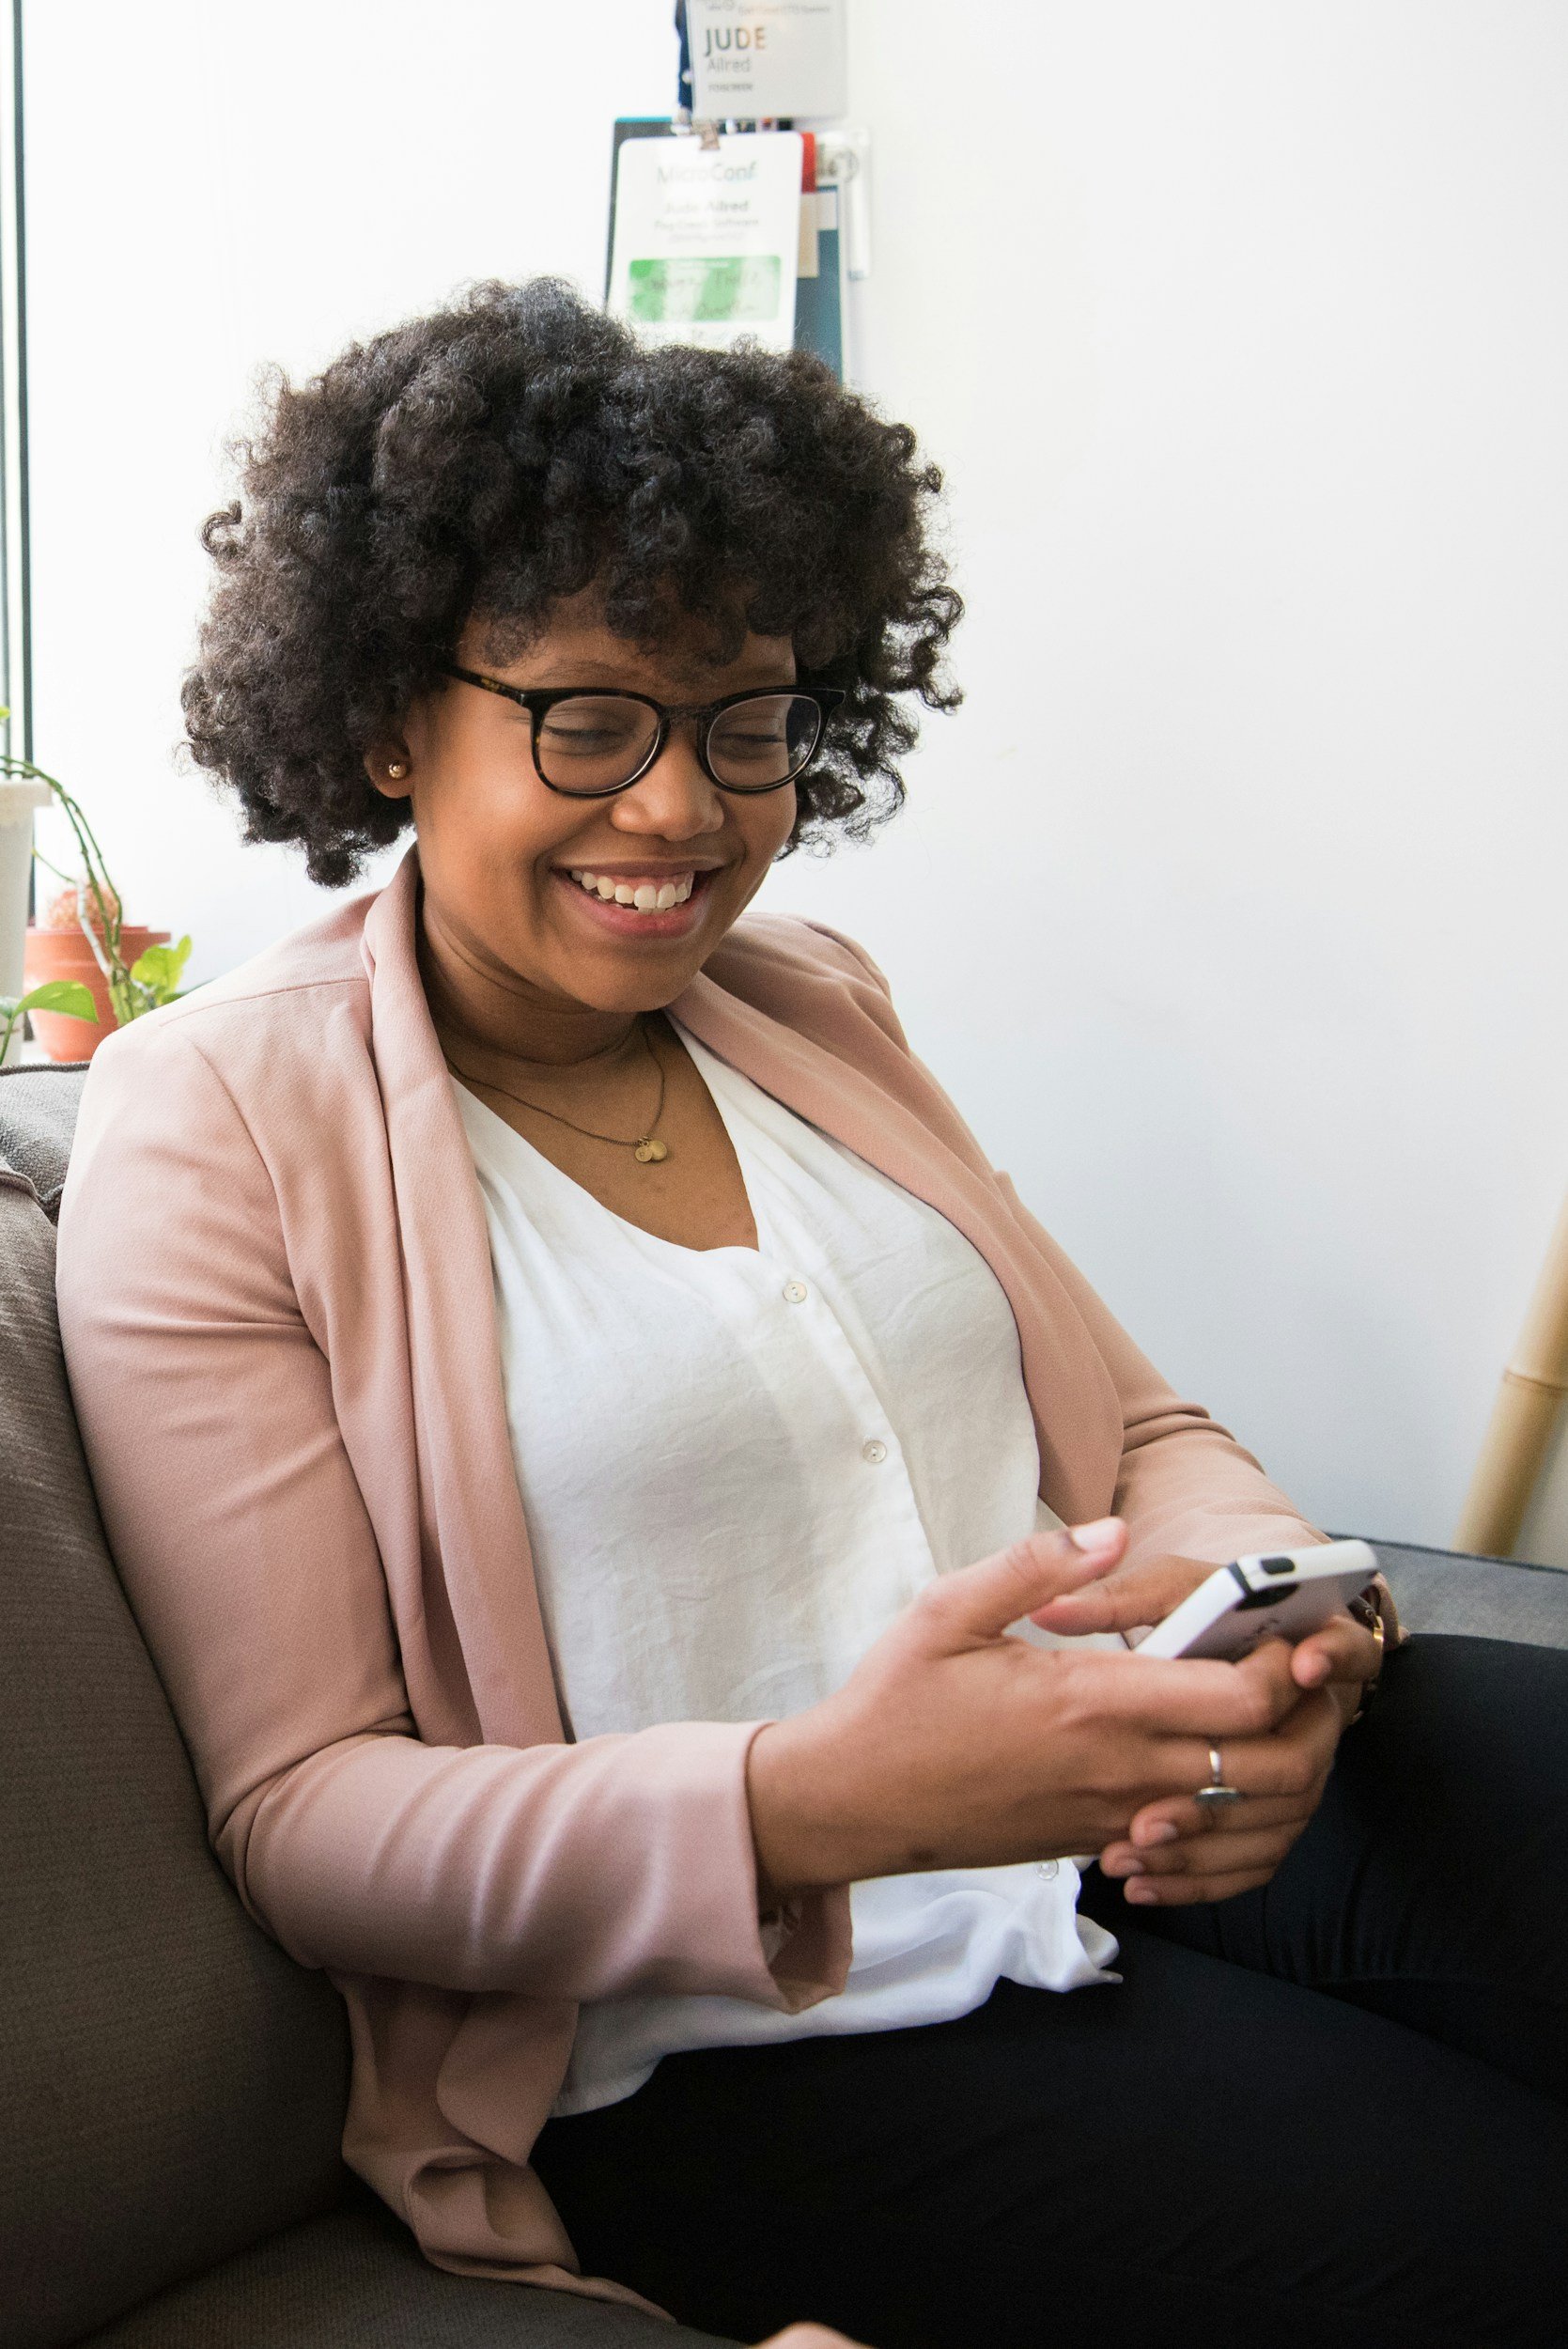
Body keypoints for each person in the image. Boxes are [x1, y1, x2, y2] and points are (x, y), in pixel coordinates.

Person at [54, 279, 1567, 2349]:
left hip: (1121, 1827)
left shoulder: (813, 1000)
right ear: (391, 715)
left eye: (745, 720)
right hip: (735, 2027)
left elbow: (1132, 1427)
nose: (682, 809)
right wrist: (821, 1799)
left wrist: (1293, 1621)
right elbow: (308, 1813)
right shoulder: (219, 1117)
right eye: (587, 716)